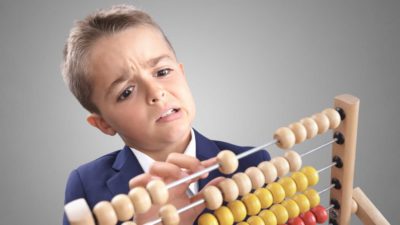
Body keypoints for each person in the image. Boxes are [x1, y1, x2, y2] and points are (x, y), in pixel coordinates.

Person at [62, 4, 270, 225]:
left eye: (162, 72)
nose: (156, 93)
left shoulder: (252, 165)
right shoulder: (87, 187)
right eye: (126, 92)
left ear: (182, 73)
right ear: (103, 123)